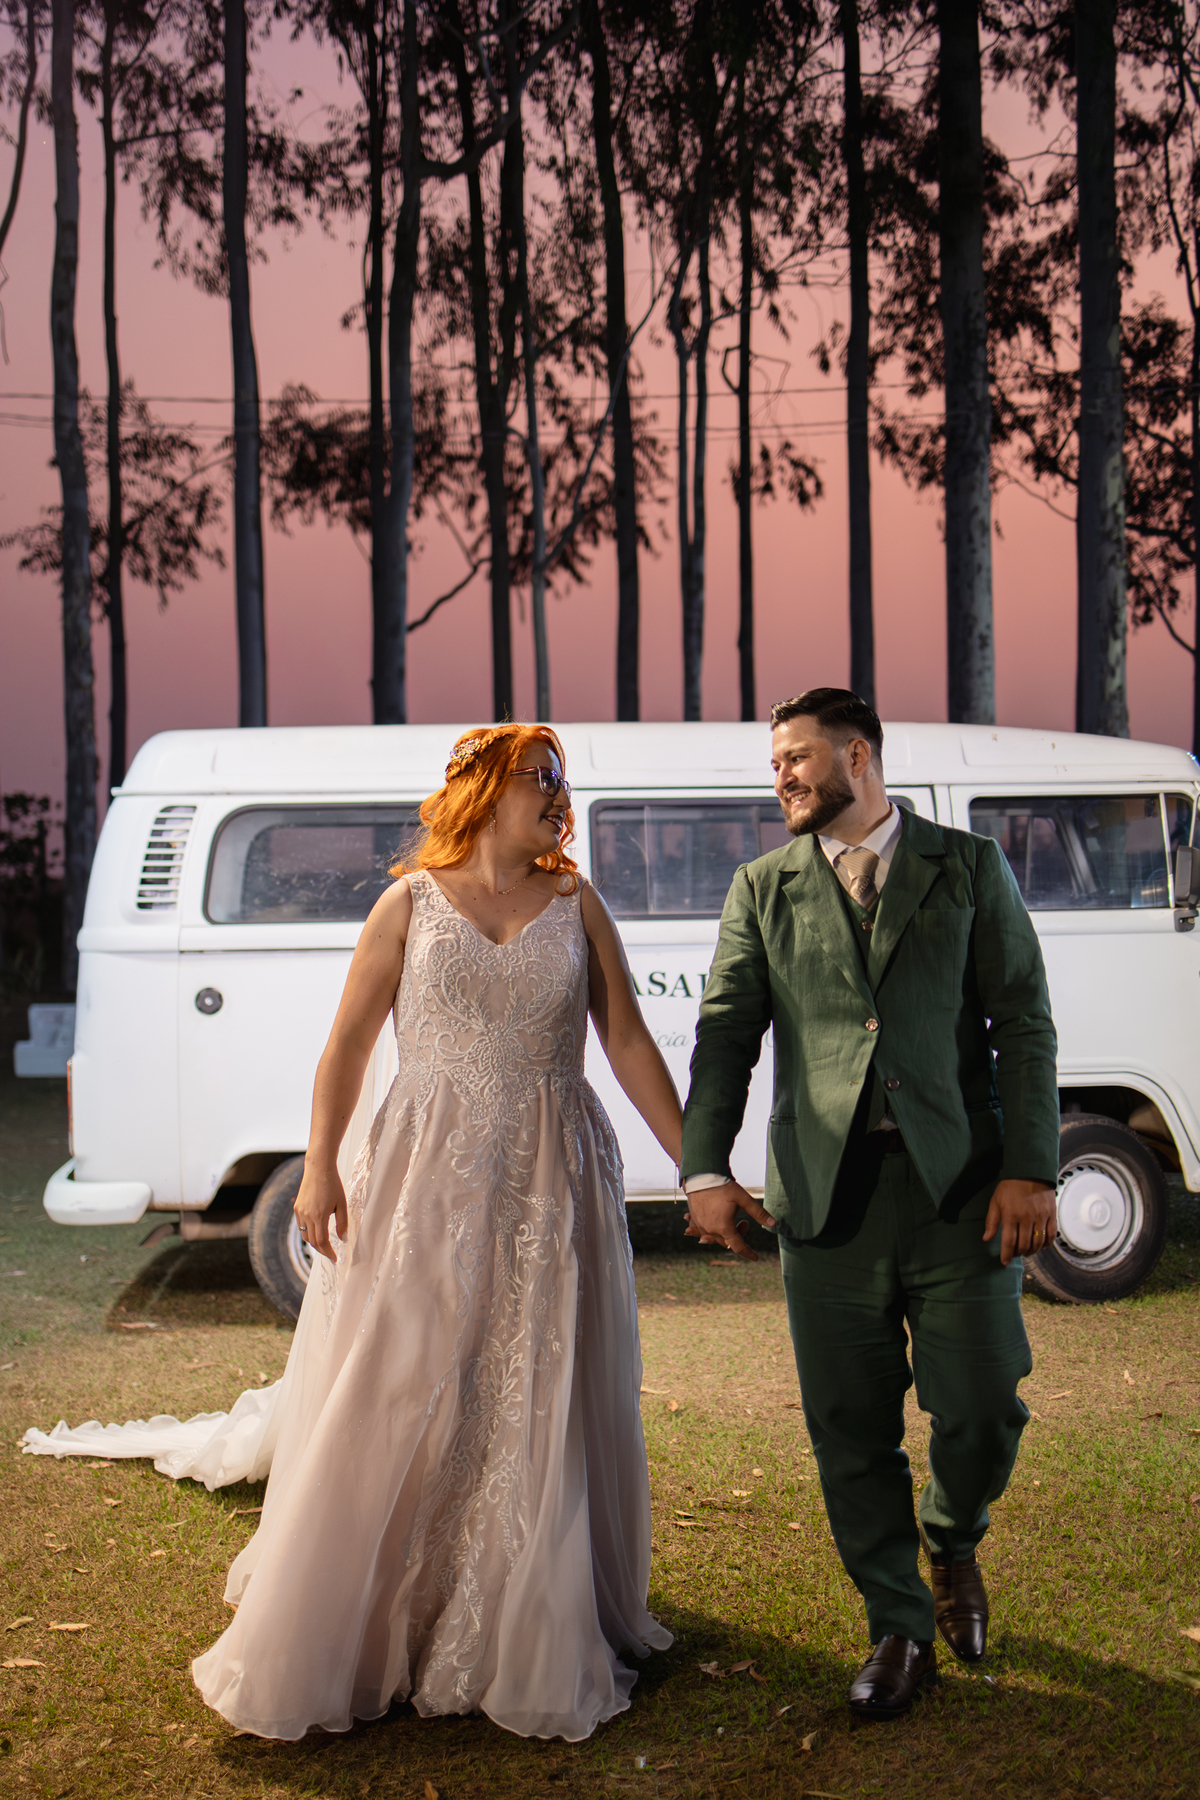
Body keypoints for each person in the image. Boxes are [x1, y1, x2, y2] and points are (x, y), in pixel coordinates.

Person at [26, 725, 678, 1743]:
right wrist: (321, 1166)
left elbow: (626, 1038)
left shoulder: (578, 906)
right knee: (407, 1370)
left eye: (564, 781)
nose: (562, 797)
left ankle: (521, 1599)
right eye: (542, 779)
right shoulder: (407, 905)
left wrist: (702, 1165)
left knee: (534, 1371)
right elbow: (346, 1045)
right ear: (483, 791)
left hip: (552, 1174)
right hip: (422, 1172)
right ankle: (387, 1597)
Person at [680, 689, 1059, 1721]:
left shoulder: (967, 866)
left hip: (961, 1194)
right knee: (848, 1426)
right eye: (775, 764)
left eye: (797, 759)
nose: (782, 779)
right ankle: (899, 1623)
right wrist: (704, 1168)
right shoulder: (761, 888)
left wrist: (1031, 1166)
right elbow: (726, 1032)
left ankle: (953, 1539)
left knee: (984, 1405)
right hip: (825, 1202)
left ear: (858, 756)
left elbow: (1022, 1020)